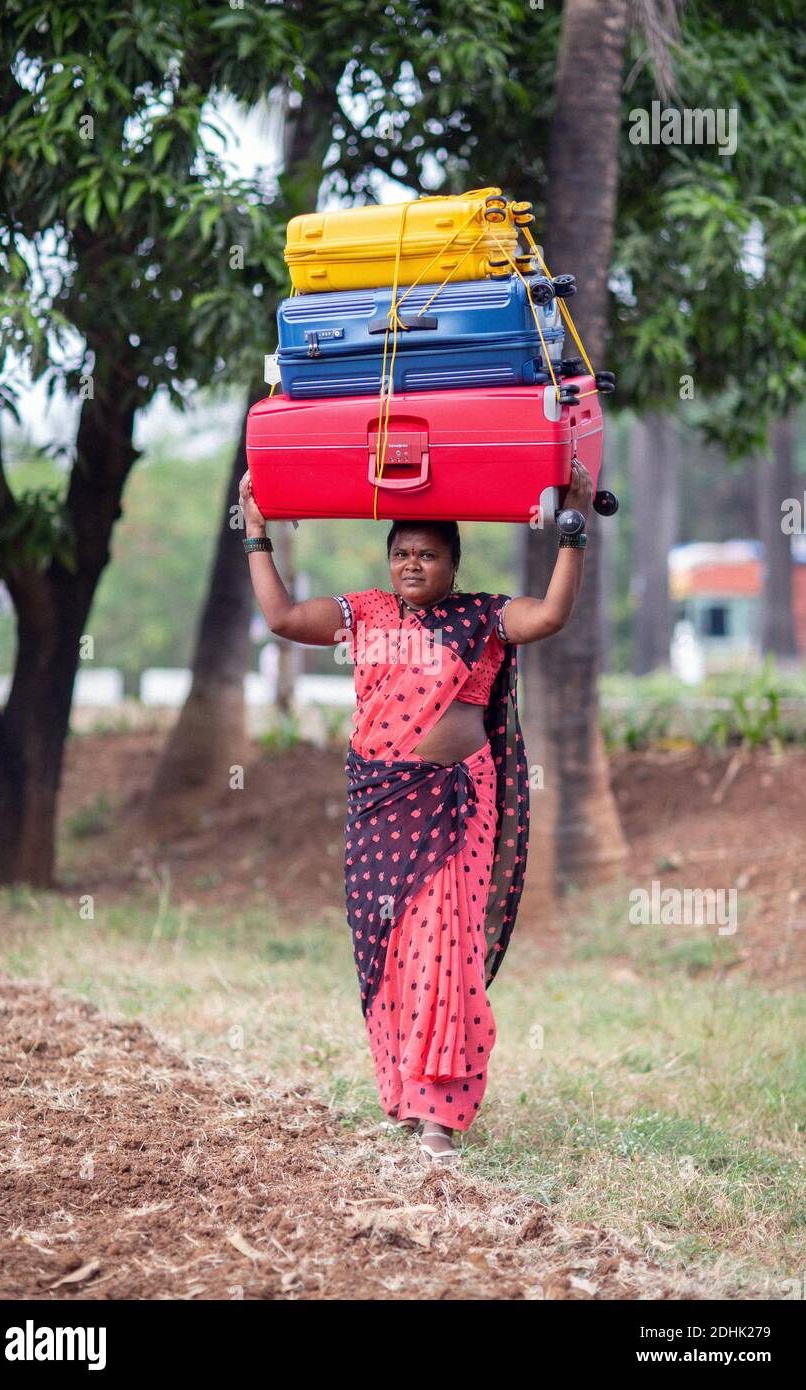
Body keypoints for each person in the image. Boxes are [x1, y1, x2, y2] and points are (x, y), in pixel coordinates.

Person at [238, 461, 594, 1165]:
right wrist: (257, 535)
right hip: (377, 801)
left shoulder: (485, 618)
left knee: (443, 949)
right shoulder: (362, 614)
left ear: (453, 564)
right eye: (401, 552)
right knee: (389, 951)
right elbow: (280, 618)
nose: (412, 564)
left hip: (455, 803)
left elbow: (550, 615)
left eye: (428, 555)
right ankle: (405, 1089)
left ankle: (439, 1114)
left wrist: (573, 526)